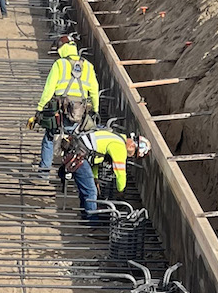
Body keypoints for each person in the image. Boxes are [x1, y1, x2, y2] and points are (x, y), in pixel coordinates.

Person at [28, 34, 99, 171]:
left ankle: (44, 172)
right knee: (76, 141)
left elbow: (49, 89)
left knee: (50, 137)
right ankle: (70, 171)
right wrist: (95, 110)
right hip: (79, 113)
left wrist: (40, 108)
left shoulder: (60, 64)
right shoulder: (88, 66)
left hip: (60, 111)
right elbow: (94, 91)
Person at [60, 130, 151, 223]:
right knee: (91, 191)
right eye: (134, 154)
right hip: (79, 156)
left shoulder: (117, 137)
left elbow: (95, 157)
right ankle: (92, 224)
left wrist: (95, 178)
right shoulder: (119, 147)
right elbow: (120, 173)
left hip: (78, 151)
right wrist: (121, 191)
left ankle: (85, 215)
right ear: (132, 146)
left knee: (87, 189)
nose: (131, 156)